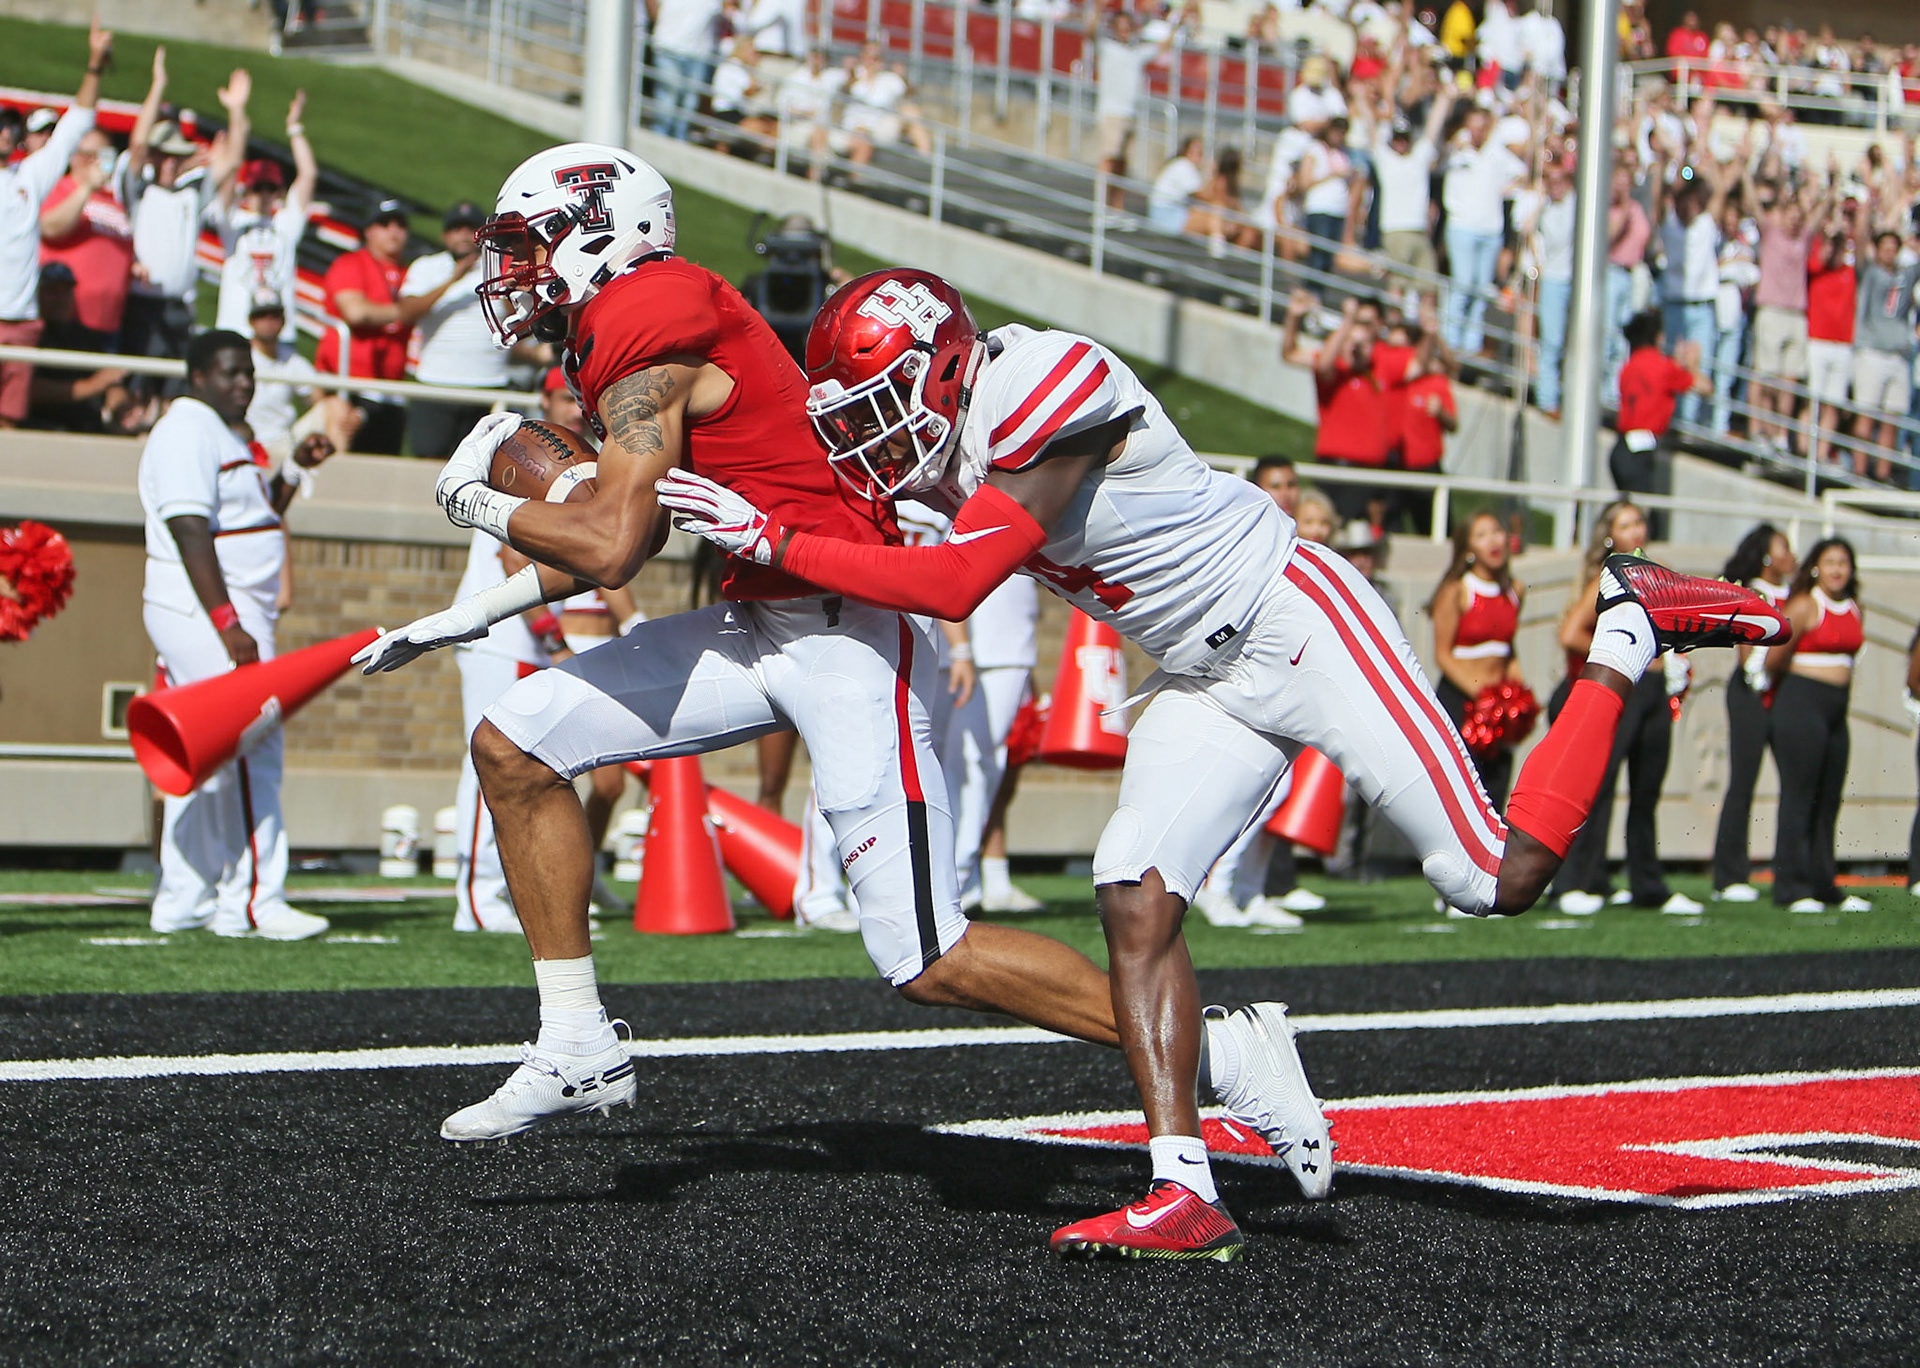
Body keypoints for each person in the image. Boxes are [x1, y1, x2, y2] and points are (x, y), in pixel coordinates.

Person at [656, 267, 1789, 1259]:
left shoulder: (1051, 385)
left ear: (947, 364)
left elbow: (953, 584)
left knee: (1497, 875)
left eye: (886, 401)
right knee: (1134, 892)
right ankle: (1182, 1189)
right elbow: (830, 495)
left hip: (1293, 621)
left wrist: (775, 543)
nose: (875, 434)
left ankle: (1630, 623)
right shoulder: (935, 433)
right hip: (1200, 679)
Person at [353, 147, 1332, 1258]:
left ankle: (1226, 1055)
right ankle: (578, 1042)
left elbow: (618, 545)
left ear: (600, 228)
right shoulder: (625, 328)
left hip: (848, 637)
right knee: (516, 744)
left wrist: (478, 499)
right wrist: (467, 618)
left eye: (531, 242)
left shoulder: (650, 311)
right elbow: (646, 523)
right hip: (761, 621)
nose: (517, 269)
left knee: (927, 957)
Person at [138, 330, 336, 938]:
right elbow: (189, 527)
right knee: (255, 742)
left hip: (219, 610)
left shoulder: (225, 434)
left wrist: (294, 473)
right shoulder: (186, 427)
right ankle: (253, 900)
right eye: (229, 373)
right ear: (196, 376)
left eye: (247, 372)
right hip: (210, 612)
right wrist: (229, 623)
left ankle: (184, 896)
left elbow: (254, 518)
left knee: (204, 755)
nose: (243, 382)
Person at [1547, 502, 1699, 916]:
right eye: (1627, 523)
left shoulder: (1658, 571)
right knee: (1599, 787)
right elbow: (1570, 633)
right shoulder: (1611, 575)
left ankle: (1647, 884)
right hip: (1622, 686)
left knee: (1647, 789)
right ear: (1610, 534)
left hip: (1652, 691)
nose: (1638, 529)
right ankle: (1576, 881)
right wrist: (1621, 654)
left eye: (1640, 521)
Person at [0, 18, 110, 430]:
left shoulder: (26, 178)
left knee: (9, 425)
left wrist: (95, 65)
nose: (5, 134)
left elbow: (76, 124)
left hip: (22, 323)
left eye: (9, 127)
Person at [1765, 539, 1870, 913]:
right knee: (1799, 797)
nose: (1837, 570)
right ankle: (1790, 888)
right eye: (1830, 562)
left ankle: (1823, 884)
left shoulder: (1855, 608)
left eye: (1843, 562)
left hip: (1835, 712)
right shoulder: (1806, 604)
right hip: (1800, 705)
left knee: (1828, 799)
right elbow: (1774, 658)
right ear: (1816, 567)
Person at [1709, 523, 1793, 903]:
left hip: (1786, 693)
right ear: (1765, 555)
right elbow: (1747, 643)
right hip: (1751, 692)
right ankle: (1729, 874)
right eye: (1783, 548)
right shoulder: (1755, 590)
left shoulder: (1797, 594)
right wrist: (1755, 672)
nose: (1791, 556)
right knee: (1743, 781)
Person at [399, 200, 512, 459]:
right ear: (444, 235)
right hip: (437, 382)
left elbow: (515, 317)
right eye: (455, 228)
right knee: (429, 456)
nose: (462, 235)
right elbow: (406, 313)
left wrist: (505, 281)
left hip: (488, 382)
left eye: (470, 228)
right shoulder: (427, 266)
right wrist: (454, 278)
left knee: (481, 463)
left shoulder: (500, 266)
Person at [1428, 511, 1526, 808]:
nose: (1493, 541)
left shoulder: (1515, 590)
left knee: (1495, 794)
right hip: (1462, 701)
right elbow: (1442, 655)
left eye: (1496, 531)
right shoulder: (1457, 590)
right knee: (1462, 794)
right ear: (1468, 548)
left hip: (1498, 708)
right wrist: (1481, 694)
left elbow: (1507, 648)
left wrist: (1517, 696)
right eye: (1481, 535)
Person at [213, 87, 318, 343]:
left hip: (279, 335)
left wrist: (295, 128)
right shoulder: (232, 222)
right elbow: (227, 177)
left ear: (279, 192)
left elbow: (309, 175)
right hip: (236, 330)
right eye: (257, 187)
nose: (263, 194)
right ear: (246, 190)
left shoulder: (286, 223)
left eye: (270, 188)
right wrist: (236, 116)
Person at [316, 199, 413, 454]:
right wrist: (406, 311)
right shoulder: (350, 264)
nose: (393, 230)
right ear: (369, 230)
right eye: (384, 223)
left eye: (400, 225)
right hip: (348, 383)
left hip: (391, 388)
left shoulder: (410, 273)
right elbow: (355, 312)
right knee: (337, 456)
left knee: (383, 472)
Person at [1611, 308, 1707, 540]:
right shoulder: (1662, 366)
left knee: (1631, 511)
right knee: (1641, 520)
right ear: (1657, 336)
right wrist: (1691, 364)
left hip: (1621, 448)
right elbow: (1705, 387)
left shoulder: (1629, 366)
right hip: (1639, 451)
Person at [37, 126, 134, 352]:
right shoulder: (59, 187)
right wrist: (87, 187)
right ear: (75, 157)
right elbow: (50, 228)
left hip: (109, 322)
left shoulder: (114, 199)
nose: (98, 162)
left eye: (105, 155)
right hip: (67, 319)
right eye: (91, 155)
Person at [1441, 107, 1527, 358]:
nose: (1477, 131)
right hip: (1462, 226)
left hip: (1489, 229)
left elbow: (1521, 173)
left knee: (1480, 289)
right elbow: (1438, 163)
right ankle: (1450, 340)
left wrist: (1504, 189)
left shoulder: (1497, 154)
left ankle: (1470, 344)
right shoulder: (1457, 153)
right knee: (1463, 283)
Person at [1087, 6, 1173, 211]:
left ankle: (1116, 207)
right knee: (1109, 158)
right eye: (1122, 26)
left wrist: (1178, 23)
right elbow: (1089, 33)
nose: (1125, 30)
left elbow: (1163, 46)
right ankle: (1101, 205)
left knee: (1122, 164)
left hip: (1130, 114)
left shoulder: (1136, 52)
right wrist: (1098, 10)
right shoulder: (1107, 47)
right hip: (1111, 112)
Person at [1851, 230, 1919, 482]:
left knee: (1892, 418)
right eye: (1885, 247)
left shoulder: (1905, 276)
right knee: (1866, 417)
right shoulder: (1869, 273)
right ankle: (1859, 471)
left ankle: (1882, 475)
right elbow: (1859, 242)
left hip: (1898, 355)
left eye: (1894, 247)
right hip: (1871, 352)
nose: (1889, 252)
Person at [1516, 160, 1575, 417]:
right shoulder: (1547, 211)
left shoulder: (1575, 205)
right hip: (1553, 278)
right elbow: (1526, 228)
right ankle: (1547, 399)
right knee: (1552, 340)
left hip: (1573, 280)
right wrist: (1540, 200)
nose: (1556, 187)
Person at [648, 0, 723, 144]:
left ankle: (679, 137)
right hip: (668, 45)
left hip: (696, 53)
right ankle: (660, 133)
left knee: (689, 100)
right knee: (668, 95)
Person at [1148, 137, 1206, 235]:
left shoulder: (1180, 164)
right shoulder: (1184, 166)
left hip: (1169, 212)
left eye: (1200, 153)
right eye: (1196, 152)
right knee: (1211, 219)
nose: (1199, 157)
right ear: (1186, 151)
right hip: (1167, 215)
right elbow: (1202, 195)